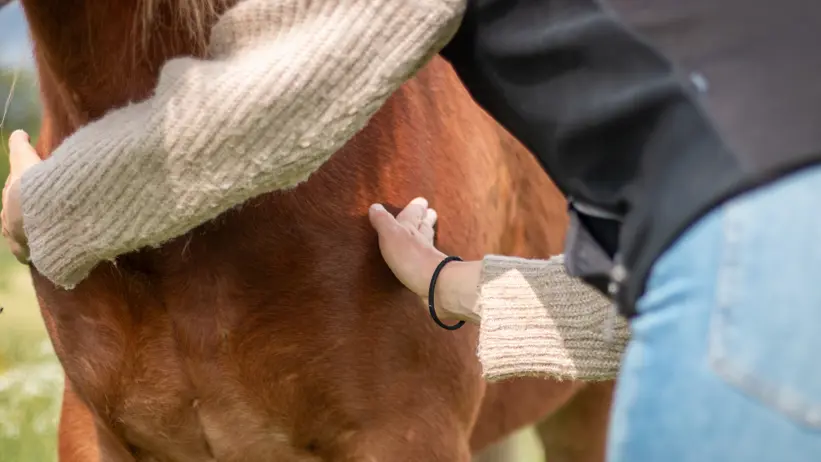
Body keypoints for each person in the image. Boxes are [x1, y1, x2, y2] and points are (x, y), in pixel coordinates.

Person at [4, 0, 821, 460]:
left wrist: (44, 209)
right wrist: (445, 285)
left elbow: (263, 106)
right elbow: (635, 309)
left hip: (749, 249)